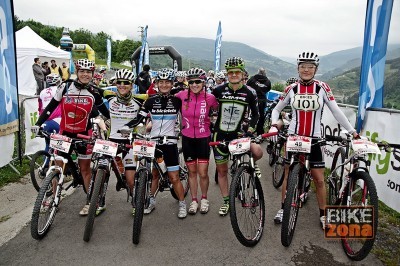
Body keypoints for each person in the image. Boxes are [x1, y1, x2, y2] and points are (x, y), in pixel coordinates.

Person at [269, 52, 359, 229]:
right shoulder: (291, 88)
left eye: (310, 67)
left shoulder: (322, 88)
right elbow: (276, 109)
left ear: (316, 69)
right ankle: (283, 209)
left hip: (315, 138)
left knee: (318, 179)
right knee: (288, 173)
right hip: (294, 136)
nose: (306, 70)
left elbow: (336, 111)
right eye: (303, 66)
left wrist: (352, 131)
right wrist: (273, 125)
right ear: (298, 68)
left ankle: (323, 215)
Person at [31, 59, 110, 216]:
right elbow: (51, 106)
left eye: (88, 72)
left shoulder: (95, 92)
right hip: (64, 132)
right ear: (77, 72)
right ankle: (54, 199)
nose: (85, 74)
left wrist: (108, 124)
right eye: (82, 71)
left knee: (85, 169)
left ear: (92, 74)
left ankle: (90, 202)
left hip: (84, 134)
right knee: (58, 165)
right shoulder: (65, 86)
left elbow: (105, 113)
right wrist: (38, 123)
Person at [121, 68, 187, 219]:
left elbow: (186, 118)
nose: (164, 85)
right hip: (153, 142)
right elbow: (139, 117)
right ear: (157, 83)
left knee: (174, 177)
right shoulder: (150, 101)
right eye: (161, 82)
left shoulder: (177, 101)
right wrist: (127, 126)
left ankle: (182, 203)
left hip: (169, 143)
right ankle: (151, 201)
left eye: (167, 82)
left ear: (172, 84)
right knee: (154, 174)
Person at [212, 57, 263, 216]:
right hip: (219, 136)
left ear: (242, 74)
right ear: (227, 74)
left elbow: (256, 115)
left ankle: (250, 166)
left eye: (237, 72)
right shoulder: (218, 90)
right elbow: (207, 108)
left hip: (239, 134)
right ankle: (226, 201)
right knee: (221, 171)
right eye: (230, 72)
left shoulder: (250, 92)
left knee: (258, 152)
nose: (234, 75)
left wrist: (251, 130)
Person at [100, 69, 147, 215]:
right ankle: (98, 202)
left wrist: (143, 128)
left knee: (130, 179)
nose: (122, 85)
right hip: (111, 140)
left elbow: (147, 114)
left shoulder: (141, 98)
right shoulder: (109, 95)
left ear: (132, 85)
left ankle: (135, 201)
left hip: (129, 143)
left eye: (125, 83)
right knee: (100, 172)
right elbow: (92, 90)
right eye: (118, 82)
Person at [175, 68, 218, 214]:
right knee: (191, 172)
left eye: (197, 82)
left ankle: (204, 198)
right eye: (191, 82)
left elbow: (219, 111)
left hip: (203, 138)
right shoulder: (181, 95)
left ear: (203, 82)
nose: (194, 85)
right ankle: (194, 200)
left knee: (203, 172)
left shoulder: (210, 98)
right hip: (187, 138)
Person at [38, 74, 62, 154]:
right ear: (58, 81)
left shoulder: (42, 92)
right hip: (57, 119)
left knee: (48, 144)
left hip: (45, 121)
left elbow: (40, 107)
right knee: (60, 145)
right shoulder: (60, 89)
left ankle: (46, 164)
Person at [247, 67, 272, 135]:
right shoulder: (267, 81)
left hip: (252, 99)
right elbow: (268, 89)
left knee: (250, 115)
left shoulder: (252, 78)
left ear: (258, 72)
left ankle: (247, 130)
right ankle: (260, 133)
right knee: (261, 116)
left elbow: (247, 86)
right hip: (262, 100)